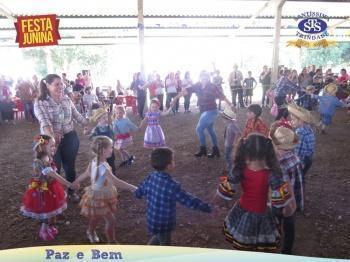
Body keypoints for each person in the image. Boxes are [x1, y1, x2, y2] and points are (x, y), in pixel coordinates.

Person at [213, 134, 293, 252]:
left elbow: (221, 195)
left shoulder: (239, 169)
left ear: (245, 151)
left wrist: (214, 205)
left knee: (244, 245)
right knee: (260, 247)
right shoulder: (272, 175)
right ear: (267, 152)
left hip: (241, 212)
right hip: (263, 214)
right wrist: (287, 210)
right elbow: (288, 208)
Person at [134, 147, 212, 246]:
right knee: (165, 244)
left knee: (159, 237)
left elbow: (140, 191)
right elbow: (188, 200)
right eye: (173, 160)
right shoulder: (172, 185)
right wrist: (207, 207)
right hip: (164, 223)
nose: (174, 162)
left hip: (152, 219)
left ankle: (147, 251)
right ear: (169, 166)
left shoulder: (151, 176)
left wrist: (137, 193)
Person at [34, 74, 89, 201]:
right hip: (47, 141)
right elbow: (45, 122)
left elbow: (76, 115)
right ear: (47, 86)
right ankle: (55, 196)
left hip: (70, 137)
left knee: (70, 166)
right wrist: (52, 139)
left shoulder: (66, 99)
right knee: (53, 169)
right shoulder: (40, 102)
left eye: (61, 84)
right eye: (56, 84)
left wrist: (86, 123)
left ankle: (71, 191)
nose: (60, 86)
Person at [72, 136, 136, 244]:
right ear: (103, 150)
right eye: (111, 147)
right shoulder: (103, 167)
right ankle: (111, 241)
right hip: (99, 196)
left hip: (97, 194)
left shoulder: (94, 161)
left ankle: (91, 232)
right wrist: (133, 187)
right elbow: (116, 182)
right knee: (109, 220)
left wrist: (75, 182)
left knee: (96, 217)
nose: (112, 149)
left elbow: (86, 173)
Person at [171, 71, 234, 158]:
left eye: (206, 77)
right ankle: (216, 150)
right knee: (210, 130)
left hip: (212, 111)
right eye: (202, 77)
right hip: (203, 112)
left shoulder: (212, 86)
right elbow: (186, 91)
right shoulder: (197, 85)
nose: (204, 79)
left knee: (199, 129)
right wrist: (175, 98)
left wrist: (231, 105)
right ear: (200, 77)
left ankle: (203, 149)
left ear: (208, 78)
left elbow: (222, 96)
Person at [20, 135, 71, 241]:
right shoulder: (39, 161)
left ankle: (49, 227)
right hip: (43, 190)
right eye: (52, 146)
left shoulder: (48, 158)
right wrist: (68, 184)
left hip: (51, 187)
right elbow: (53, 174)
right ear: (43, 147)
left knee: (51, 211)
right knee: (46, 212)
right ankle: (43, 230)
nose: (54, 148)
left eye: (55, 146)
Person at [269, 122, 303, 255]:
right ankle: (287, 249)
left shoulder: (280, 164)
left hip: (281, 202)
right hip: (292, 200)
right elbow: (299, 182)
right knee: (289, 225)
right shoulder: (295, 158)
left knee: (278, 221)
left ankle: (279, 244)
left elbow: (280, 188)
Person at [287, 103, 316, 185]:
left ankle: (298, 190)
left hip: (302, 160)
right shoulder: (308, 128)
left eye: (293, 119)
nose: (291, 121)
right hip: (309, 158)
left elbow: (298, 151)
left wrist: (298, 164)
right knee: (301, 176)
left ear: (301, 121)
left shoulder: (300, 132)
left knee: (297, 178)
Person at [87, 107, 117, 175]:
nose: (106, 119)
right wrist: (96, 138)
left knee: (111, 161)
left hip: (108, 148)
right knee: (101, 162)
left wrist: (113, 142)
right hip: (100, 150)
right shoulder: (96, 129)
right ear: (98, 119)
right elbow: (91, 138)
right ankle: (102, 174)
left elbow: (113, 136)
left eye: (106, 117)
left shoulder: (109, 127)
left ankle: (112, 174)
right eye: (103, 118)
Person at [221, 107, 240, 175]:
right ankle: (230, 167)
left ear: (227, 118)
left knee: (229, 157)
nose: (222, 119)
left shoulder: (232, 125)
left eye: (223, 118)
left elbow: (238, 133)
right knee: (227, 156)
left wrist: (235, 142)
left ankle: (231, 169)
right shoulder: (229, 123)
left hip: (230, 145)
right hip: (228, 143)